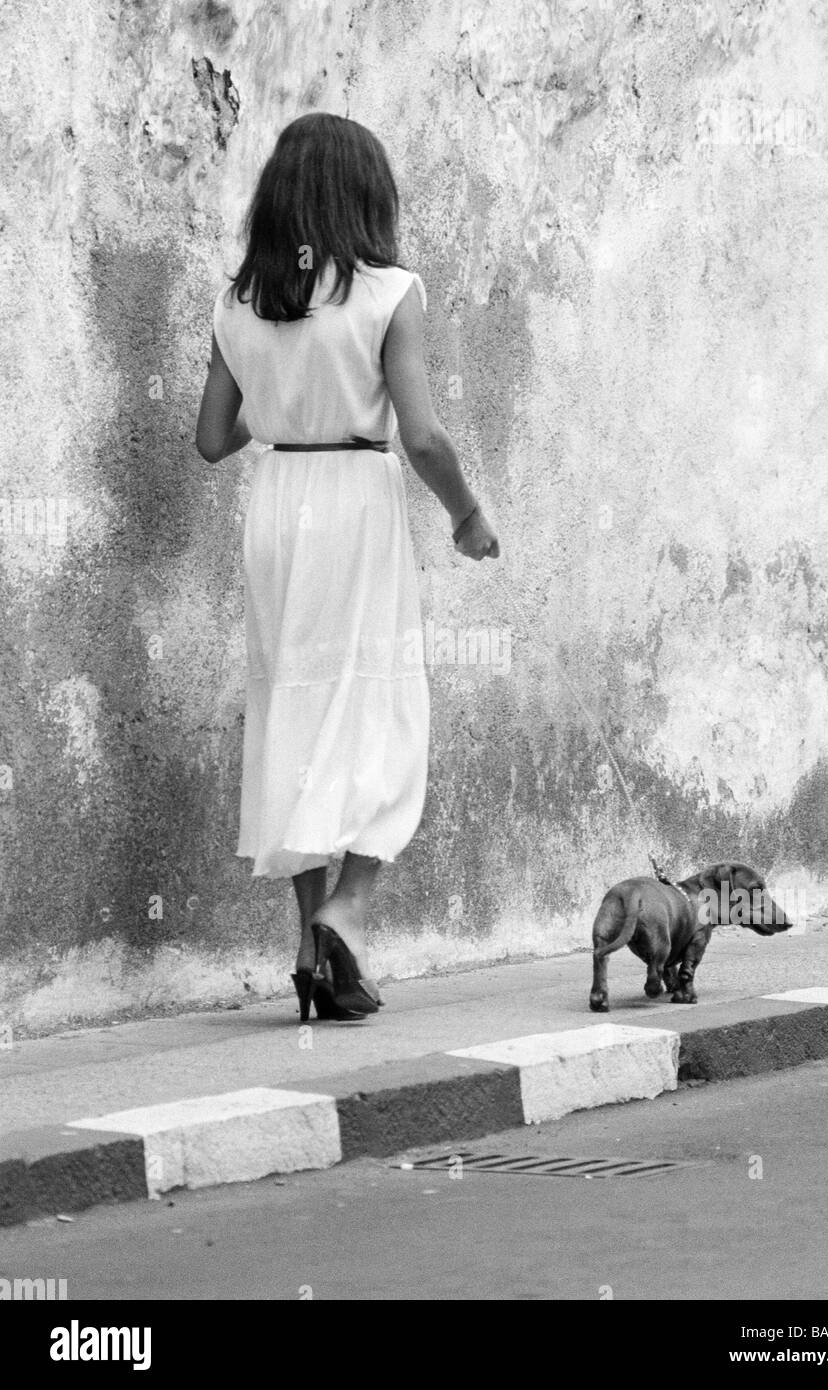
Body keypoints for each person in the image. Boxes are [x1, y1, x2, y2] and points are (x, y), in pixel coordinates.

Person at [195, 112, 499, 1021]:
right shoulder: (388, 291)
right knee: (380, 708)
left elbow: (214, 439)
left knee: (297, 706)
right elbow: (427, 435)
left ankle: (306, 947)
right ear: (363, 193)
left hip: (278, 505)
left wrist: (283, 393)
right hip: (356, 504)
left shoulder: (237, 302)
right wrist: (468, 515)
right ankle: (350, 910)